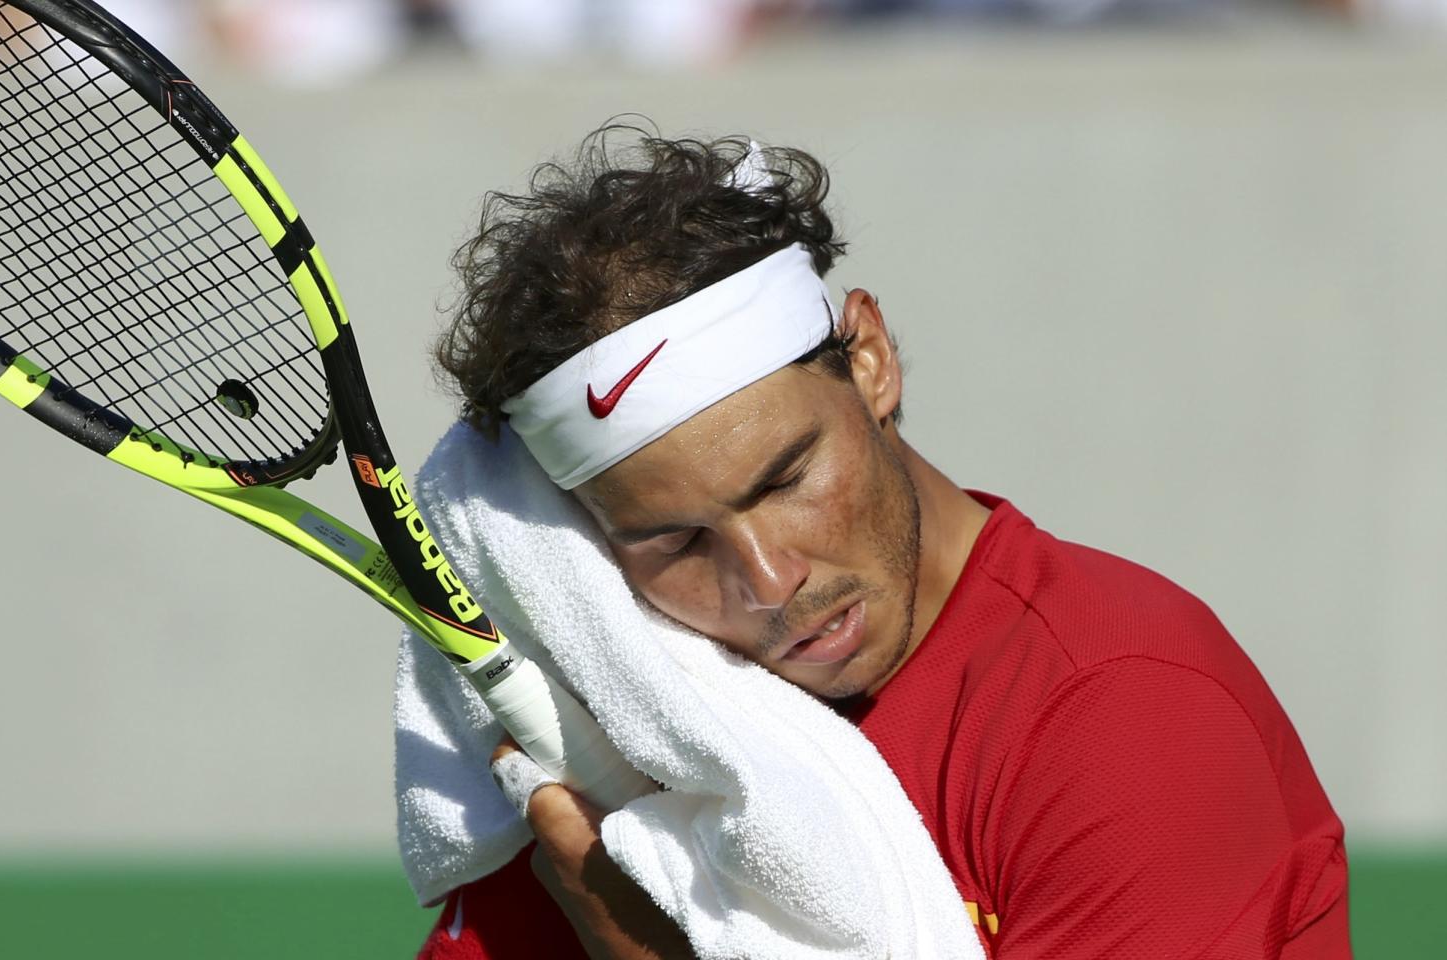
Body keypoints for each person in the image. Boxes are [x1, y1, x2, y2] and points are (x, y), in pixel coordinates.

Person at [413, 124, 1350, 959]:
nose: (769, 581)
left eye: (786, 480)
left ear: (870, 361)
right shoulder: (649, 732)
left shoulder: (1125, 707)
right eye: (674, 541)